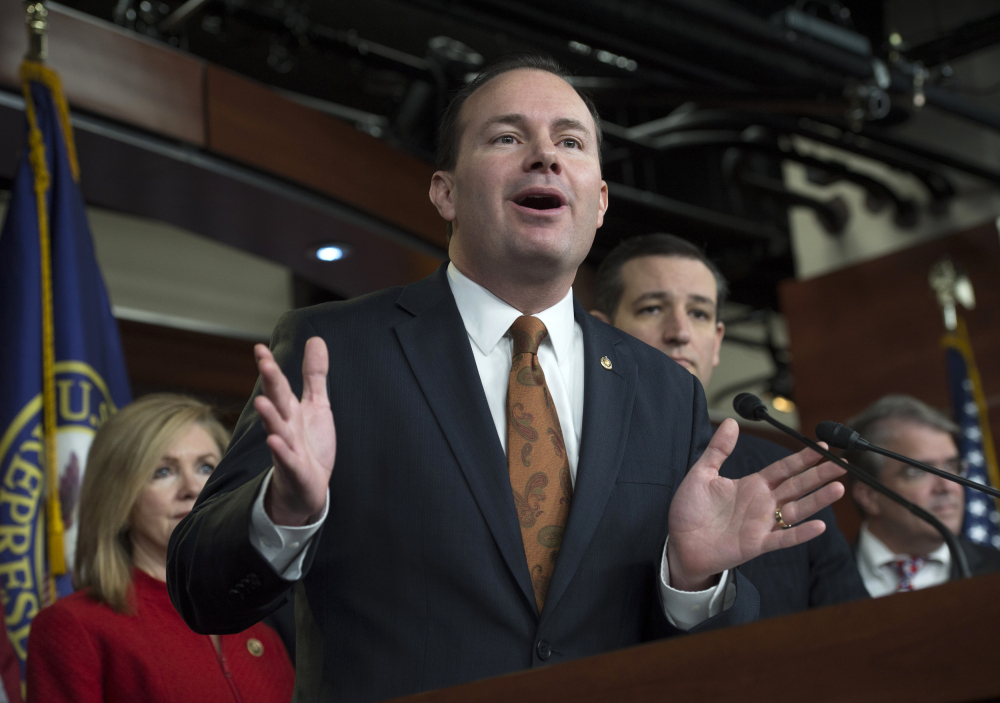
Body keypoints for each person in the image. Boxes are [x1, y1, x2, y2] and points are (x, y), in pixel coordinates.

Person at [167, 54, 846, 703]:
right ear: (446, 192)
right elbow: (199, 586)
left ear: (600, 200)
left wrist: (694, 578)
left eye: (571, 142)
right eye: (506, 136)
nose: (545, 155)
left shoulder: (663, 391)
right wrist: (285, 512)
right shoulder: (338, 351)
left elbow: (709, 657)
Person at [590, 233, 868, 616]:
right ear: (601, 334)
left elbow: (852, 628)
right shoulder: (570, 462)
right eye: (652, 308)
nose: (680, 332)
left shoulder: (781, 475)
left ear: (717, 342)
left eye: (700, 313)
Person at [27, 394, 295, 703]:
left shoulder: (264, 633)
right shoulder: (74, 627)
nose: (192, 489)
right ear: (119, 500)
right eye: (163, 471)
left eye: (206, 468)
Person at [844, 394, 1000, 596]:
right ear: (868, 496)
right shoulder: (818, 581)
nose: (946, 486)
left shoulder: (995, 570)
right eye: (918, 472)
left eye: (951, 466)